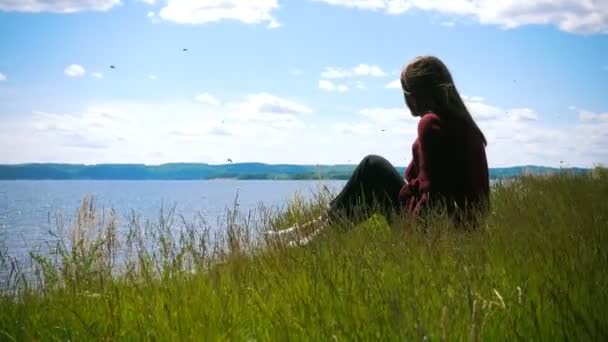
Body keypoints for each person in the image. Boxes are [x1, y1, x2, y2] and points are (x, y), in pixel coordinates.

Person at [267, 56, 490, 246]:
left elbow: (432, 196)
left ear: (414, 94)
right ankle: (309, 231)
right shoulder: (466, 127)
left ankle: (312, 242)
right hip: (462, 229)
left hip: (431, 232)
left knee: (372, 168)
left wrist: (411, 238)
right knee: (372, 168)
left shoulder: (431, 124)